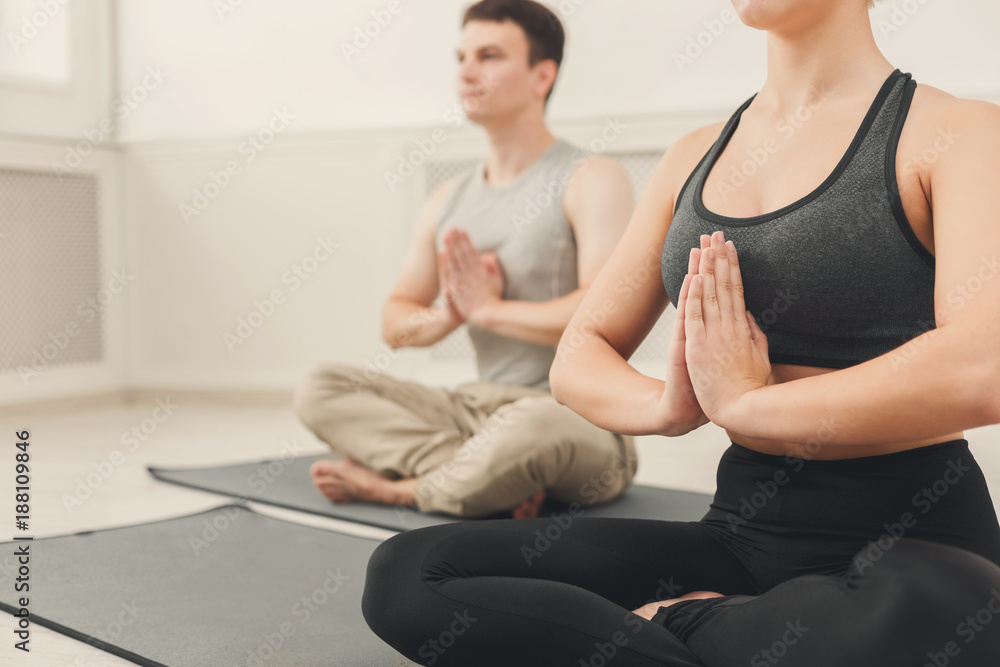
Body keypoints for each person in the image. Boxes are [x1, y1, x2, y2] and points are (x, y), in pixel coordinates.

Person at [361, 0, 1000, 664]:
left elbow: (983, 368)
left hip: (915, 541)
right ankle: (705, 627)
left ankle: (673, 627)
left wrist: (750, 404)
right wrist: (668, 404)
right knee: (411, 572)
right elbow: (580, 353)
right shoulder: (694, 154)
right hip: (737, 538)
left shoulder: (958, 131)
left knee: (932, 615)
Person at [293, 0, 638, 520]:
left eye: (489, 55)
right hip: (474, 412)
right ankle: (487, 477)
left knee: (535, 428)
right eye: (460, 58)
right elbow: (394, 322)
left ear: (542, 75)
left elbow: (606, 312)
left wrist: (488, 310)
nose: (466, 72)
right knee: (320, 387)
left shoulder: (591, 177)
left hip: (574, 416)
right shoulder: (448, 198)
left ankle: (404, 489)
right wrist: (449, 314)